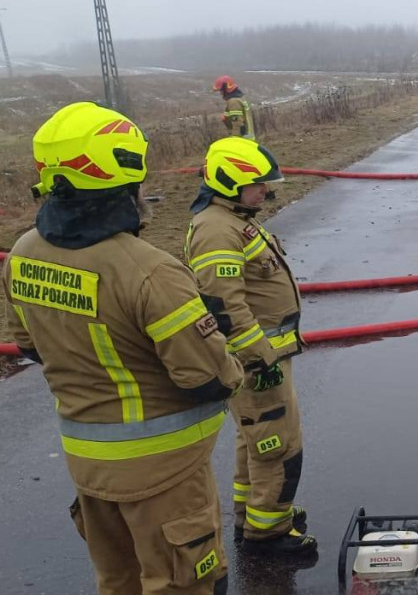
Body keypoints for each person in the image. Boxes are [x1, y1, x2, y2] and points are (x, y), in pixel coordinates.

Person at [3, 102, 244, 593]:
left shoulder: (23, 253)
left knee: (119, 583)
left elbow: (31, 346)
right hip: (164, 475)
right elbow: (209, 378)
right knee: (186, 584)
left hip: (88, 469)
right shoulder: (149, 270)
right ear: (126, 178)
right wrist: (215, 336)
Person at [184, 137, 316, 557]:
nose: (267, 190)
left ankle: (254, 515)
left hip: (263, 356)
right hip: (258, 360)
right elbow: (224, 306)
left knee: (255, 439)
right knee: (277, 443)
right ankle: (269, 534)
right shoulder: (217, 230)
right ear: (229, 182)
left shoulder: (232, 217)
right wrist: (259, 359)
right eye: (259, 183)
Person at [215, 75, 256, 140]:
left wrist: (235, 140)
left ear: (226, 89)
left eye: (221, 91)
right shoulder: (241, 98)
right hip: (248, 138)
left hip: (242, 140)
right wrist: (226, 119)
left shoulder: (234, 102)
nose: (221, 93)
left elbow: (238, 125)